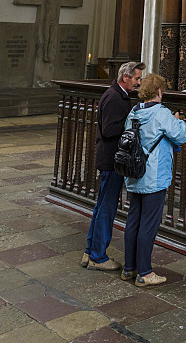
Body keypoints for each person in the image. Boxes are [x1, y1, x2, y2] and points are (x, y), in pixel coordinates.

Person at [121, 74, 186, 287]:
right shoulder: (162, 114)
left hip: (134, 172)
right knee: (148, 225)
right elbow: (181, 136)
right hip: (154, 176)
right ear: (159, 92)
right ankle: (145, 273)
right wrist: (179, 121)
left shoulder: (134, 112)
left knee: (133, 221)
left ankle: (129, 268)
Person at [81, 60, 145, 270]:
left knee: (102, 206)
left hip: (110, 159)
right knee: (107, 208)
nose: (139, 82)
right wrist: (133, 125)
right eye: (136, 78)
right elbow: (109, 130)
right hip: (111, 160)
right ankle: (98, 257)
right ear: (125, 77)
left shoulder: (118, 95)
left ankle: (90, 251)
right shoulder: (114, 97)